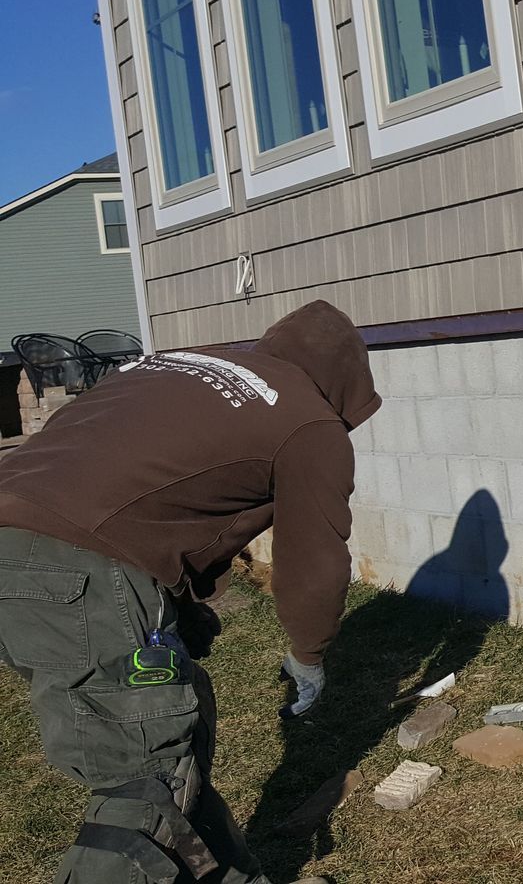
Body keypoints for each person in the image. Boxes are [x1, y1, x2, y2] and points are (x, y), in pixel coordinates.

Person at [0, 300, 379, 884]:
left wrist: (170, 607)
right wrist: (308, 657)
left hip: (17, 538)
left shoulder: (178, 364)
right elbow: (315, 564)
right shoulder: (309, 421)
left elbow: (121, 481)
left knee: (174, 725)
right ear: (345, 385)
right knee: (145, 781)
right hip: (76, 569)